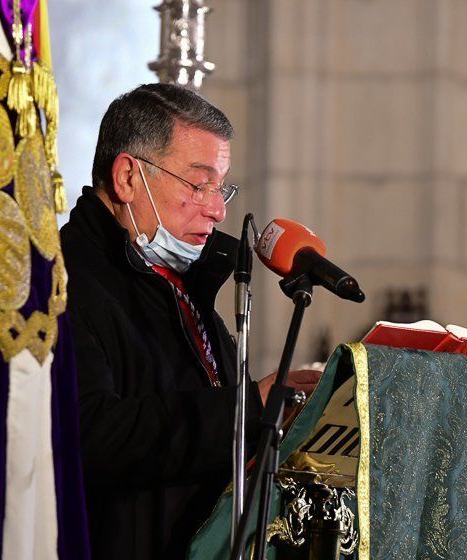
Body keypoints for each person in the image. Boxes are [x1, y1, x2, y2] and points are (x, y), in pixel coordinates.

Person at [60, 83, 320, 559]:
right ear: (127, 179)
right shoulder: (65, 281)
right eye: (199, 184)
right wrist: (247, 410)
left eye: (221, 186)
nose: (218, 209)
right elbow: (89, 436)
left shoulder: (182, 284)